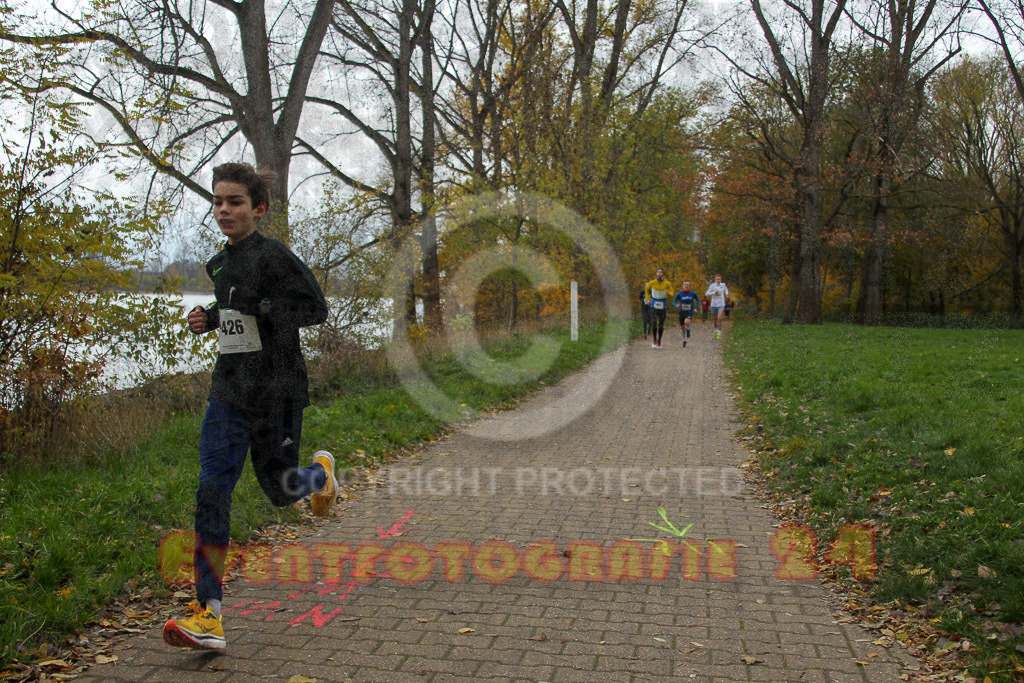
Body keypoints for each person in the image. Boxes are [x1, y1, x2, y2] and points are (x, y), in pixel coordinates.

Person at [163, 163, 338, 651]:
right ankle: (208, 612)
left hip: (277, 391)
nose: (224, 210)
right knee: (212, 487)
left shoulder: (275, 256)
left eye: (235, 202)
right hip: (230, 390)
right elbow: (235, 311)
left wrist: (264, 308)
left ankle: (319, 476)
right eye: (218, 201)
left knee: (281, 491)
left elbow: (315, 309)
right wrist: (210, 317)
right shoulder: (219, 264)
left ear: (257, 210)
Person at [643, 267, 674, 348]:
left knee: (661, 324)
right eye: (658, 272)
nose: (659, 273)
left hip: (663, 304)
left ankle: (659, 341)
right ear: (656, 273)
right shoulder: (652, 282)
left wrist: (668, 293)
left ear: (663, 273)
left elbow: (672, 293)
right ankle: (654, 340)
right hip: (654, 304)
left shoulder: (667, 283)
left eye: (661, 272)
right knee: (654, 322)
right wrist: (648, 298)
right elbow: (646, 289)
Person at [673, 281, 700, 347]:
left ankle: (688, 328)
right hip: (682, 312)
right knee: (682, 328)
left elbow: (698, 300)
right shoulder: (680, 294)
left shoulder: (693, 293)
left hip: (690, 311)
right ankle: (684, 340)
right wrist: (676, 305)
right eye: (685, 285)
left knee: (687, 322)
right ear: (683, 286)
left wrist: (696, 308)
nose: (686, 286)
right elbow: (674, 301)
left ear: (689, 286)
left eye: (687, 285)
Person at [705, 275, 729, 339]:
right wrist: (713, 292)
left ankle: (719, 332)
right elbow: (706, 293)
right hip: (713, 305)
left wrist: (726, 294)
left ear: (721, 280)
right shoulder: (712, 286)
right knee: (715, 320)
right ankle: (715, 329)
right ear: (715, 280)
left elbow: (726, 290)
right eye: (717, 279)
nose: (718, 280)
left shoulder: (723, 285)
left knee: (719, 318)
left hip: (721, 304)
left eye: (719, 279)